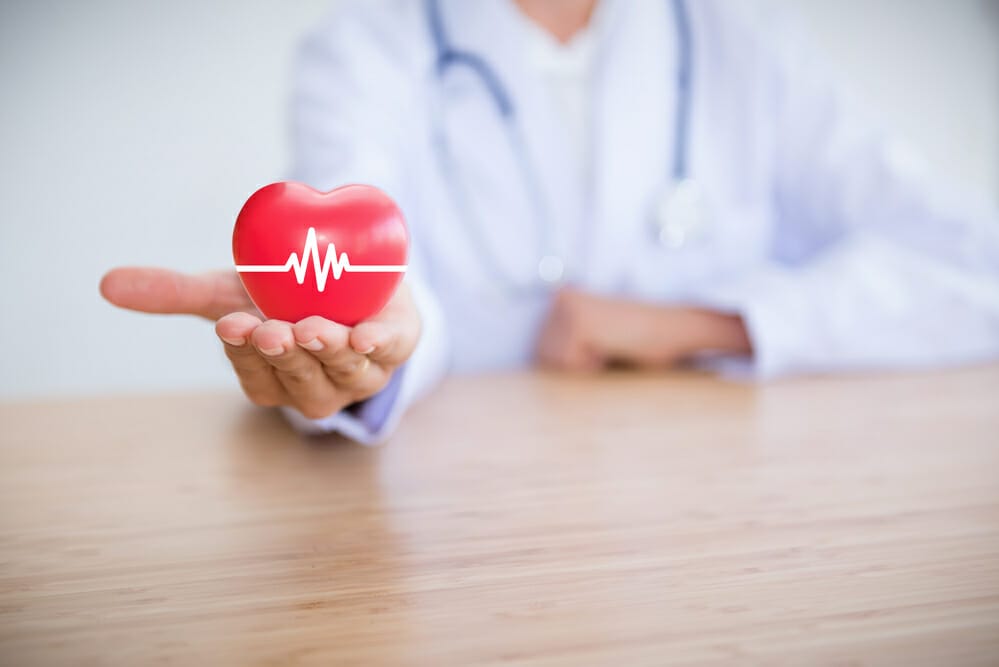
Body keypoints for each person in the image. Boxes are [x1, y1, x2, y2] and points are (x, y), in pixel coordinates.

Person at [100, 0, 999, 443]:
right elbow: (362, 246)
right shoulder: (367, 48)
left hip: (718, 498)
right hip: (458, 514)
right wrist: (372, 344)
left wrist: (702, 325)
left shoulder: (745, 41)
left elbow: (975, 269)